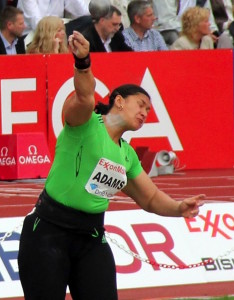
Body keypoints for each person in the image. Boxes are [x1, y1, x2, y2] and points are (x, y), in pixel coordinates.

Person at [18, 30, 205, 300]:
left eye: (149, 111)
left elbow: (150, 197)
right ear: (118, 100)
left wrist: (178, 208)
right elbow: (83, 97)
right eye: (141, 105)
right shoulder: (83, 125)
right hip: (47, 233)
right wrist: (83, 61)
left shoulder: (126, 155)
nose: (144, 113)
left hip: (91, 239)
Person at [17, 0, 90, 36]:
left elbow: (83, 12)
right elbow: (38, 25)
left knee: (88, 21)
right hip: (33, 35)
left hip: (58, 31)